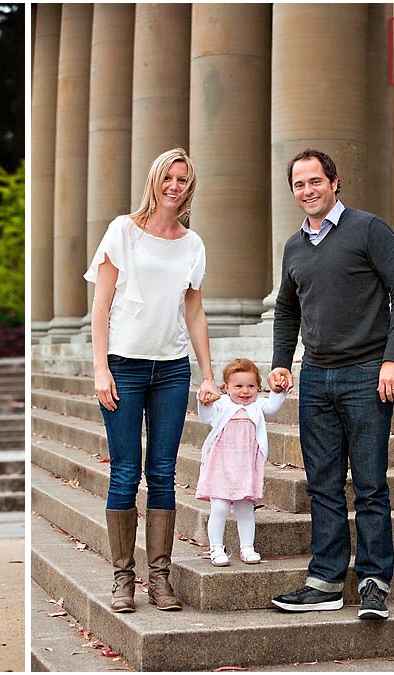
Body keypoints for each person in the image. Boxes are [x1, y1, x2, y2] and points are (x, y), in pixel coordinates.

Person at [268, 149, 394, 620]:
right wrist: (281, 363)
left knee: (371, 484)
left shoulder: (368, 229)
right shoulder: (294, 247)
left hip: (366, 375)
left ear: (334, 183)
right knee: (323, 484)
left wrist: (393, 360)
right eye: (299, 184)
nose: (307, 190)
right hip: (315, 378)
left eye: (315, 181)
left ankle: (374, 583)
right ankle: (326, 581)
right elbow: (287, 309)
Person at [84, 147, 222, 613]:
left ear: (189, 187)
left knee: (162, 473)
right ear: (155, 180)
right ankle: (123, 578)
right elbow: (100, 305)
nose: (174, 185)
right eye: (168, 177)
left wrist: (207, 373)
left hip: (171, 369)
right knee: (125, 472)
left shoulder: (192, 243)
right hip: (123, 365)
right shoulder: (123, 231)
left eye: (182, 179)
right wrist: (100, 367)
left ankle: (159, 579)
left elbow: (194, 309)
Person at [196, 358, 287, 566]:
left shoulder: (257, 406)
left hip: (245, 466)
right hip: (221, 465)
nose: (245, 391)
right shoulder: (221, 405)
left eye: (251, 386)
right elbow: (205, 417)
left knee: (245, 509)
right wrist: (205, 401)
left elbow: (273, 406)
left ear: (258, 387)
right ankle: (216, 549)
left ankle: (247, 547)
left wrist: (279, 389)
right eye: (238, 386)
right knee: (219, 508)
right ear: (226, 387)